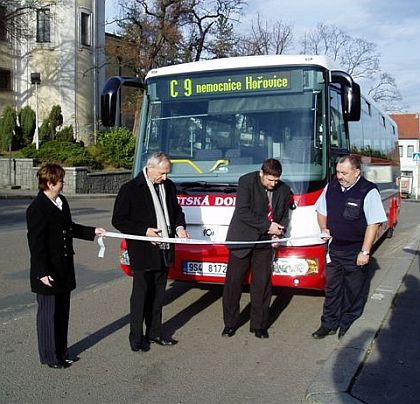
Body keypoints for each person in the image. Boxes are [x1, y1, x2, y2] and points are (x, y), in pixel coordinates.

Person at [26, 163, 106, 369]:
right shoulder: (37, 208)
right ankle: (49, 356)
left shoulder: (61, 202)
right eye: (61, 180)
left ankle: (61, 352)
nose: (63, 183)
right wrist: (41, 272)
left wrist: (91, 232)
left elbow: (68, 228)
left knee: (62, 313)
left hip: (63, 268)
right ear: (50, 183)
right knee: (48, 315)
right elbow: (36, 244)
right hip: (47, 271)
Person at [112, 152, 189, 352]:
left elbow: (177, 211)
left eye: (167, 173)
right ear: (150, 168)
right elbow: (119, 220)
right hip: (143, 251)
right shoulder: (130, 189)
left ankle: (155, 333)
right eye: (162, 173)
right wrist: (144, 230)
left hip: (164, 249)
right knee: (141, 296)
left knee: (158, 295)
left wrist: (180, 227)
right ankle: (136, 338)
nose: (165, 177)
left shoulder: (168, 186)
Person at [312, 155, 387, 340]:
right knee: (332, 289)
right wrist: (324, 228)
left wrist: (365, 251)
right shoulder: (331, 187)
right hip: (334, 248)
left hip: (355, 251)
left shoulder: (368, 191)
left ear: (356, 172)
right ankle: (328, 324)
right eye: (337, 171)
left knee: (352, 289)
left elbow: (373, 224)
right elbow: (321, 211)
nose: (339, 176)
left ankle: (347, 322)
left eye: (344, 173)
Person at [222, 158, 291, 339]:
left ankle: (259, 325)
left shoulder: (283, 189)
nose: (273, 184)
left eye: (276, 180)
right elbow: (243, 212)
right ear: (262, 173)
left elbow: (284, 216)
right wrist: (269, 226)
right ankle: (230, 324)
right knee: (233, 284)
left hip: (265, 244)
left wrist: (278, 234)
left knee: (262, 285)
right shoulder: (246, 182)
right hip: (242, 239)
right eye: (270, 180)